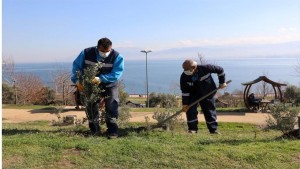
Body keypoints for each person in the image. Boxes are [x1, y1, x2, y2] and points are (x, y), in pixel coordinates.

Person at [71, 37, 124, 139]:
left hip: (110, 84)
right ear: (98, 47)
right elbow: (77, 66)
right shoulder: (86, 53)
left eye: (107, 51)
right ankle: (95, 130)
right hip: (90, 84)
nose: (105, 53)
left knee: (112, 105)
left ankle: (112, 131)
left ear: (111, 48)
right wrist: (77, 80)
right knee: (91, 106)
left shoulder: (117, 56)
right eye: (102, 51)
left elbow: (117, 73)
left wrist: (101, 79)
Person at [180, 59, 227, 134]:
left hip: (208, 92)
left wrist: (222, 82)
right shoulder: (184, 76)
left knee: (209, 110)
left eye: (188, 69)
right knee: (190, 110)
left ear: (194, 67)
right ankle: (192, 129)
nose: (186, 71)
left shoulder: (206, 68)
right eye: (184, 69)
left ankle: (213, 130)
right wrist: (185, 103)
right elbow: (185, 92)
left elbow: (220, 70)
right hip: (193, 94)